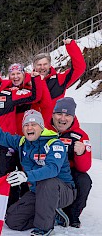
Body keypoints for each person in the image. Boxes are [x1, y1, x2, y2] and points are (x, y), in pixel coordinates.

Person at [0, 106, 76, 236]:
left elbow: (52, 169)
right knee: (13, 221)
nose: (29, 128)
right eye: (26, 125)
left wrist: (26, 175)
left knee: (47, 181)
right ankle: (52, 215)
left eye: (34, 124)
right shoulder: (22, 142)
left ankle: (44, 227)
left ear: (41, 127)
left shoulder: (55, 143)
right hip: (37, 192)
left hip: (62, 191)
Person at [51, 97, 92, 228]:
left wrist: (81, 153)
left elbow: (85, 167)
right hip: (48, 170)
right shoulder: (43, 129)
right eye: (59, 114)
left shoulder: (81, 135)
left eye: (67, 115)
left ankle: (72, 215)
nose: (62, 118)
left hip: (69, 171)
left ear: (73, 117)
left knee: (84, 180)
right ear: (53, 114)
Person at [33, 38, 86, 105]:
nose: (42, 67)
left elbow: (79, 67)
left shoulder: (60, 79)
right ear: (34, 66)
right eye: (39, 65)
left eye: (45, 64)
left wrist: (71, 46)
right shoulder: (27, 82)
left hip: (58, 114)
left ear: (49, 65)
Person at [8, 63, 53, 134]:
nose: (15, 76)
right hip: (13, 132)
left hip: (30, 128)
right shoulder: (7, 89)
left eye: (18, 73)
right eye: (12, 74)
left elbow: (46, 103)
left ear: (23, 74)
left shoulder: (32, 86)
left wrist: (39, 80)